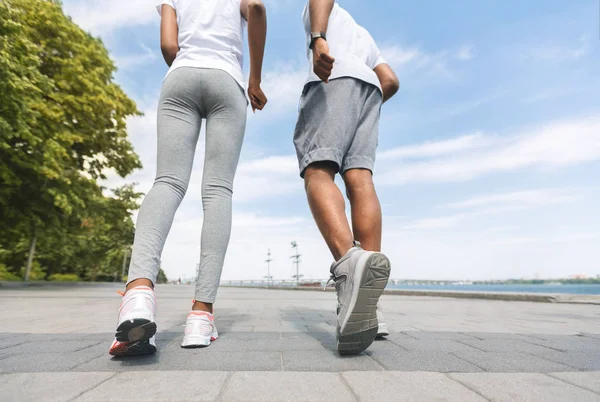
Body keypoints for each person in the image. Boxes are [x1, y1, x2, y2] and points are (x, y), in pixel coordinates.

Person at [109, 0, 268, 356]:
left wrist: (187, 65)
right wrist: (254, 78)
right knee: (217, 190)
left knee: (167, 182)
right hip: (226, 80)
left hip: (180, 77)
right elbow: (256, 7)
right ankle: (200, 316)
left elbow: (169, 44)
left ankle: (137, 295)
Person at [294, 0, 399, 354]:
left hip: (332, 78)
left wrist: (318, 40)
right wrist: (363, 100)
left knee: (317, 170)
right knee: (361, 180)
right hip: (370, 90)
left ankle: (349, 265)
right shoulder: (364, 36)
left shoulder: (323, 14)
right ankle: (372, 308)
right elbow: (391, 80)